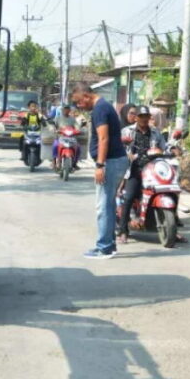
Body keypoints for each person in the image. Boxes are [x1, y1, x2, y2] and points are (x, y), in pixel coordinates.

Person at [71, 81, 128, 258]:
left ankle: (104, 248)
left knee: (103, 206)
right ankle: (109, 244)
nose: (79, 106)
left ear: (86, 96)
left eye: (79, 102)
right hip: (115, 160)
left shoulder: (100, 109)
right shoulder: (104, 107)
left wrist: (100, 165)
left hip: (110, 162)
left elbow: (103, 139)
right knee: (108, 204)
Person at [117, 105, 167, 242]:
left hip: (153, 171)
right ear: (136, 118)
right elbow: (118, 148)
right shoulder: (127, 131)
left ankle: (172, 229)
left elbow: (165, 147)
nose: (144, 119)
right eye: (141, 116)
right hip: (135, 170)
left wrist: (171, 150)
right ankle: (123, 231)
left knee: (167, 192)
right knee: (128, 197)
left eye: (146, 116)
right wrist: (127, 155)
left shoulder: (156, 132)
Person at [21, 99, 47, 163]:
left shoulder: (39, 115)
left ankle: (42, 155)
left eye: (35, 106)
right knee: (22, 139)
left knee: (42, 143)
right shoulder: (27, 115)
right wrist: (23, 122)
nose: (33, 108)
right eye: (32, 106)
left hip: (38, 132)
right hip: (29, 132)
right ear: (29, 107)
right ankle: (23, 155)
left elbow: (43, 121)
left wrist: (43, 122)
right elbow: (23, 122)